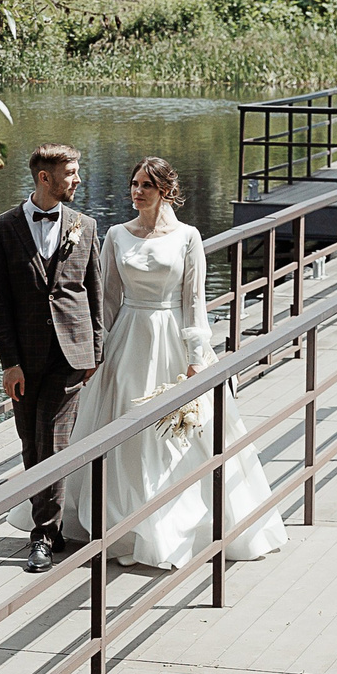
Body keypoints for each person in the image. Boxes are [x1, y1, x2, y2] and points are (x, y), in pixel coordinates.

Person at [60, 157, 288, 570]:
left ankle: (171, 526)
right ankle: (121, 526)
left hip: (171, 341)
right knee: (125, 430)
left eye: (147, 184)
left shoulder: (188, 236)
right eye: (133, 183)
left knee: (175, 437)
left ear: (165, 190)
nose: (137, 191)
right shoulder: (115, 234)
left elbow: (194, 302)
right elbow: (108, 299)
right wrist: (98, 353)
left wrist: (197, 359)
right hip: (127, 340)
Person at [0, 143, 102, 573]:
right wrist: (9, 363)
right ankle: (50, 527)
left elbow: (94, 291)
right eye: (70, 172)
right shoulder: (0, 229)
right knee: (31, 444)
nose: (77, 179)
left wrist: (96, 349)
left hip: (71, 355)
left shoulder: (85, 226)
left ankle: (43, 537)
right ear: (44, 178)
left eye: (76, 170)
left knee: (51, 439)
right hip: (25, 359)